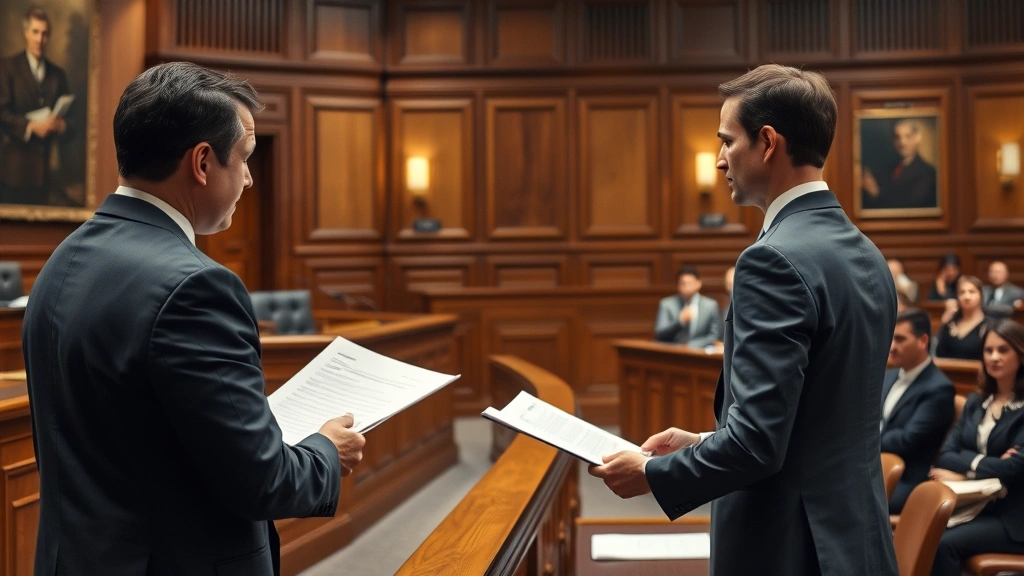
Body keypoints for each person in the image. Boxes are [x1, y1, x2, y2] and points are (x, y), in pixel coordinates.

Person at [23, 62, 365, 575]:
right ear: (203, 162)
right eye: (245, 159)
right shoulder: (198, 288)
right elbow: (263, 481)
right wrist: (325, 451)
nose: (250, 178)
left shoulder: (62, 260)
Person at [589, 64, 898, 575]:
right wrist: (707, 440)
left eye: (727, 142)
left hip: (789, 547)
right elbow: (817, 420)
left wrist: (653, 473)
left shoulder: (771, 260)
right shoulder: (866, 253)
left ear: (768, 142)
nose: (718, 160)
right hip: (855, 540)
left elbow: (757, 446)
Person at [928, 319, 1024, 576]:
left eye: (1003, 350)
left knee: (942, 544)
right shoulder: (975, 401)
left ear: (1020, 353)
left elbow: (1015, 467)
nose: (994, 357)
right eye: (988, 350)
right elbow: (946, 455)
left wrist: (966, 467)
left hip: (1013, 516)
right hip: (976, 504)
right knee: (927, 530)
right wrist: (990, 463)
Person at [880, 308, 955, 513]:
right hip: (875, 469)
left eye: (900, 339)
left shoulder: (939, 388)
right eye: (891, 339)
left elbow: (907, 440)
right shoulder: (889, 375)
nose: (892, 347)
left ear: (923, 341)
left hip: (908, 481)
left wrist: (867, 437)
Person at [0, 6, 72, 206]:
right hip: (15, 171)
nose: (40, 39)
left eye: (44, 34)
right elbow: (2, 113)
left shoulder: (58, 74)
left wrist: (62, 125)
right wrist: (31, 126)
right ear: (26, 33)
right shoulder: (7, 68)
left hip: (47, 173)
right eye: (35, 32)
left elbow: (75, 121)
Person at [861, 118, 937, 210]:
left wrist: (875, 193)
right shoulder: (889, 169)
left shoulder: (928, 173)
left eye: (908, 136)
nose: (902, 142)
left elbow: (909, 207)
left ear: (917, 138)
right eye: (898, 137)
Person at [654, 266, 721, 348]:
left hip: (699, 352)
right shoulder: (666, 304)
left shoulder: (710, 305)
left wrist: (691, 346)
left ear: (698, 283)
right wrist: (679, 321)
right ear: (678, 285)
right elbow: (659, 333)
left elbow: (714, 336)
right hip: (673, 352)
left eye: (690, 283)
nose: (686, 287)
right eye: (683, 284)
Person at [935, 276, 989, 361]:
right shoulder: (950, 323)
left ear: (981, 296)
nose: (967, 297)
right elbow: (939, 353)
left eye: (972, 292)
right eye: (962, 292)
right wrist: (944, 324)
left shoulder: (988, 325)